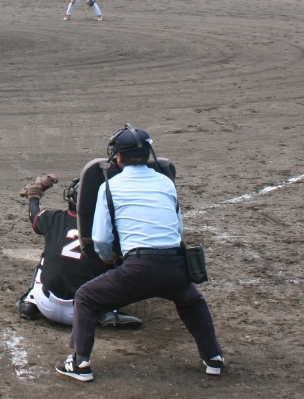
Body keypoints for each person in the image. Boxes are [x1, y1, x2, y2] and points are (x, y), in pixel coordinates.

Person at [55, 125, 223, 382]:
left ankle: (80, 363)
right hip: (177, 267)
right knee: (191, 300)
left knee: (86, 297)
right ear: (148, 154)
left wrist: (108, 258)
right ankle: (213, 358)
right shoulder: (166, 181)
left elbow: (100, 238)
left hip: (138, 269)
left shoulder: (110, 186)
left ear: (118, 157)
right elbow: (177, 228)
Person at [15, 174, 142, 328]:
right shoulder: (110, 229)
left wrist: (34, 195)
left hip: (46, 306)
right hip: (86, 311)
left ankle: (30, 301)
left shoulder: (53, 218)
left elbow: (34, 215)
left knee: (46, 257)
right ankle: (108, 311)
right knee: (118, 261)